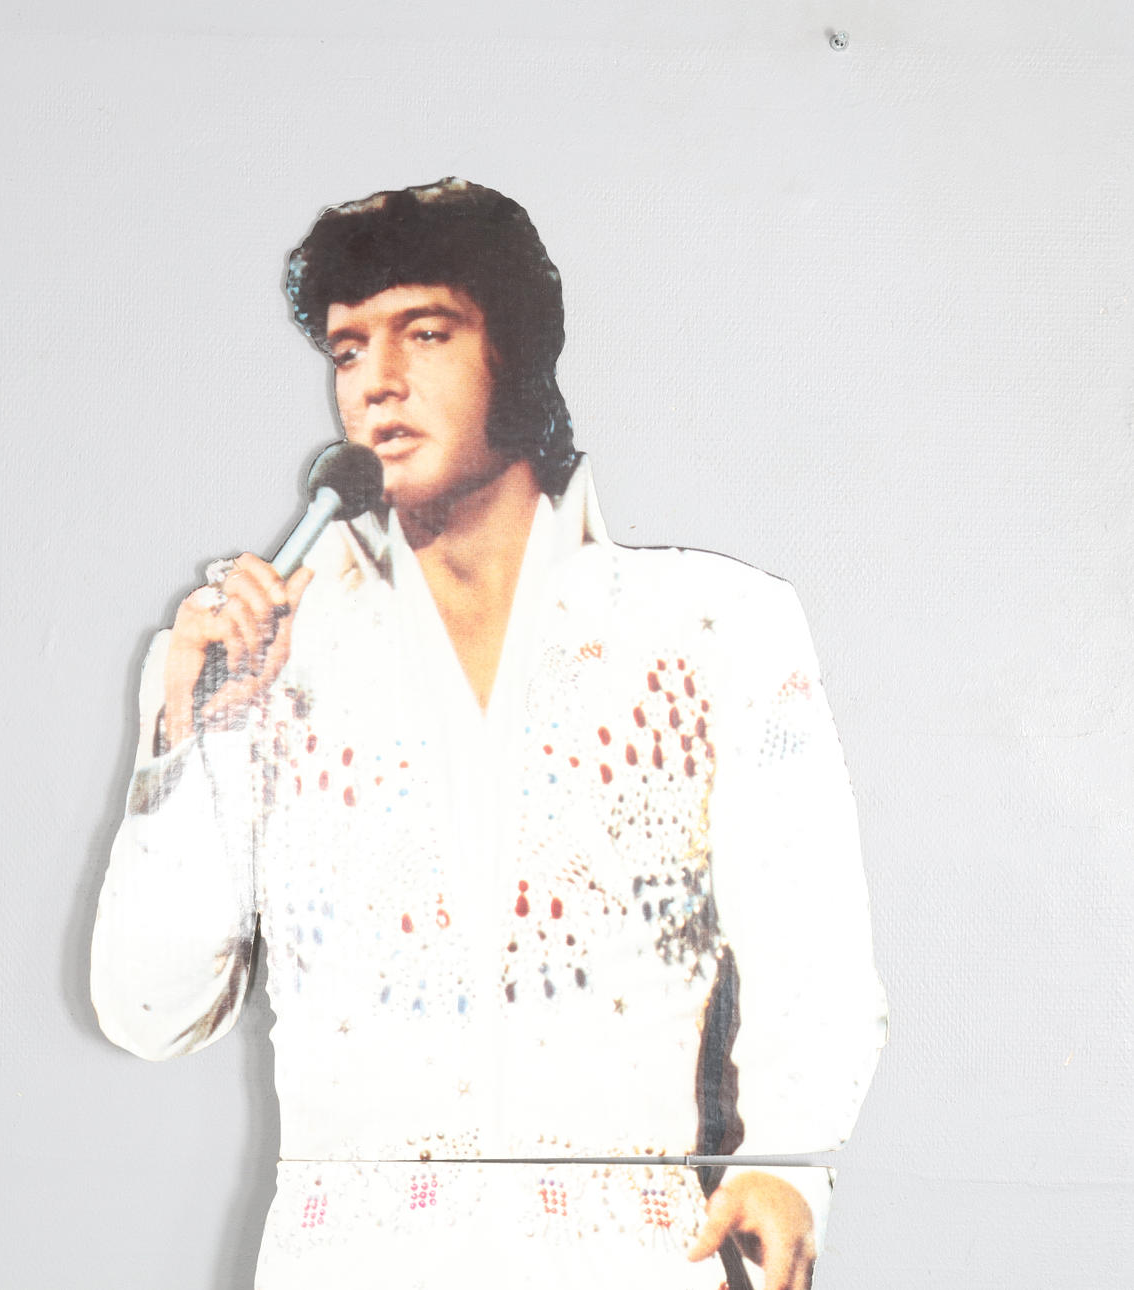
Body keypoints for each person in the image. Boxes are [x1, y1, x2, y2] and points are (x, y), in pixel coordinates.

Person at [91, 178, 887, 1290]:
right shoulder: (258, 657)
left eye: (426, 333)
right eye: (349, 350)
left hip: (627, 1258)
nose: (379, 382)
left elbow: (813, 942)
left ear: (516, 354)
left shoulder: (712, 628)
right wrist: (198, 727)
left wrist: (788, 1165)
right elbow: (150, 1010)